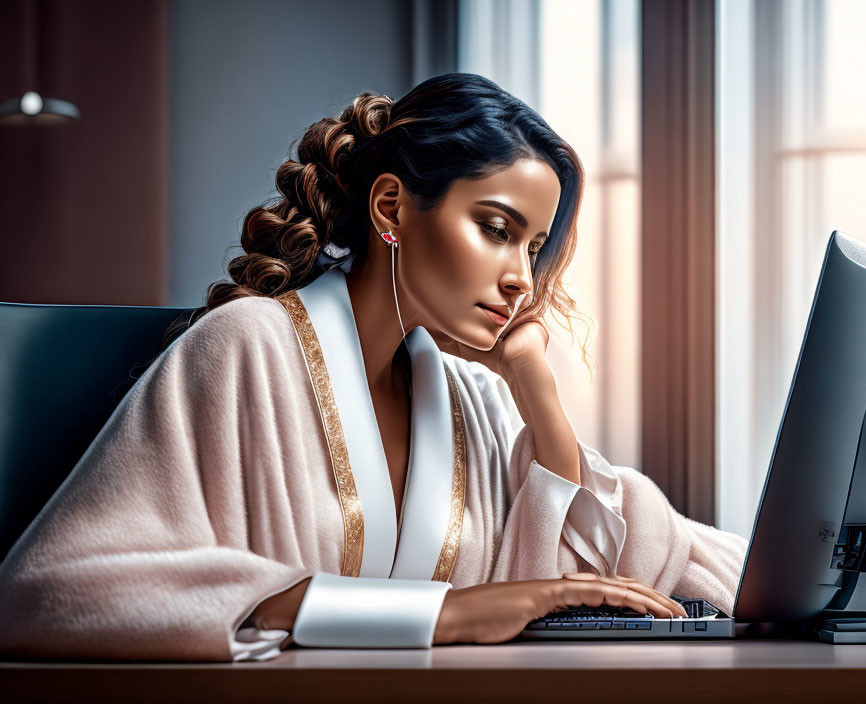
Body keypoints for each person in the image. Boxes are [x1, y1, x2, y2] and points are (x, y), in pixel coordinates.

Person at [0, 73, 746, 662]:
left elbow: (583, 573)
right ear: (391, 207)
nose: (522, 275)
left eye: (533, 247)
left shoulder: (477, 398)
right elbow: (55, 591)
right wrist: (441, 614)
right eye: (495, 229)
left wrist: (536, 390)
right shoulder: (245, 349)